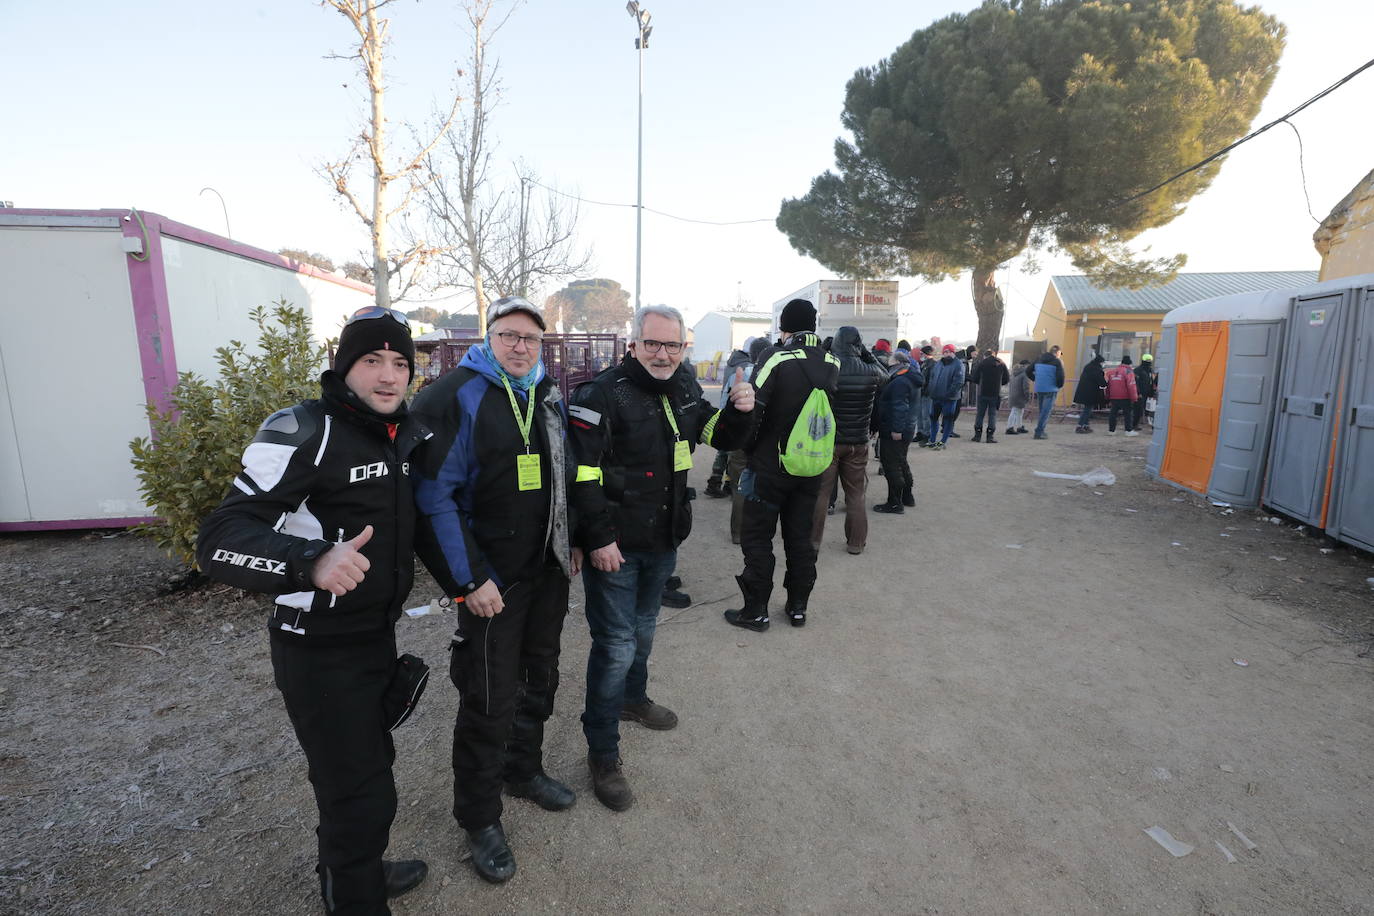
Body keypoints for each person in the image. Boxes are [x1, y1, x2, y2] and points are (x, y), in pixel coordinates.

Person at [196, 307, 430, 914]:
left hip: (374, 635)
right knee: (359, 793)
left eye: (400, 363)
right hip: (317, 647)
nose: (388, 376)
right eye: (371, 361)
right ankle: (354, 896)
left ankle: (356, 873)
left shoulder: (402, 430)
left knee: (369, 770)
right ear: (342, 366)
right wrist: (310, 561)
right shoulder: (306, 428)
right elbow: (219, 537)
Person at [410, 296, 576, 885]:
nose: (521, 346)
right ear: (489, 337)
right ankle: (479, 819)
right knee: (487, 697)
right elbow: (433, 499)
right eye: (510, 336)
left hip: (546, 572)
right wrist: (469, 580)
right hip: (491, 584)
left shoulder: (547, 393)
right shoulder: (456, 394)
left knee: (541, 676)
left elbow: (566, 471)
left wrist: (573, 538)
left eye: (532, 338)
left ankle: (523, 768)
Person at [570, 305, 755, 811]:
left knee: (645, 628)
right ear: (633, 344)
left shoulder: (685, 387)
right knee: (614, 644)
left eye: (672, 346)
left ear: (682, 349)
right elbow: (581, 473)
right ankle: (602, 753)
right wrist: (598, 537)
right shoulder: (600, 393)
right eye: (652, 343)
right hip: (616, 546)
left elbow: (717, 437)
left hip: (664, 539)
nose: (662, 353)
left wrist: (740, 410)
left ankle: (633, 698)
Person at [724, 298, 839, 631]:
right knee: (800, 538)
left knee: (758, 538)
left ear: (784, 327)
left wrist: (746, 448)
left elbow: (754, 408)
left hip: (770, 466)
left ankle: (756, 611)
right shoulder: (833, 360)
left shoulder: (777, 357)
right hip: (811, 466)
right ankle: (798, 607)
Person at [810, 326, 886, 554]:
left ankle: (813, 543)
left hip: (828, 442)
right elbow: (886, 375)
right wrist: (866, 352)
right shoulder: (870, 370)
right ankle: (855, 543)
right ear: (858, 345)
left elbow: (811, 369)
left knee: (821, 494)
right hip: (859, 441)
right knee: (855, 495)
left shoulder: (827, 368)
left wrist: (824, 347)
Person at [872, 346, 924, 513]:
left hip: (895, 430)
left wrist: (896, 429)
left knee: (891, 465)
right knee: (901, 462)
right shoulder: (910, 378)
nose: (889, 365)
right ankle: (907, 496)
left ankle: (894, 502)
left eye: (891, 362)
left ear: (900, 364)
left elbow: (899, 407)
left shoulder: (900, 381)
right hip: (907, 428)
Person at [704, 338, 756, 498]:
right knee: (732, 449)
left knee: (723, 449)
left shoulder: (732, 362)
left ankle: (717, 480)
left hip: (725, 404)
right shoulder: (747, 368)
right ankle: (727, 483)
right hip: (735, 408)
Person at [924, 344, 966, 450]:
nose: (946, 354)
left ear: (953, 352)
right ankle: (932, 440)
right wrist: (931, 390)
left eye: (949, 352)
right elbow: (933, 377)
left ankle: (943, 442)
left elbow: (958, 382)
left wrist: (949, 394)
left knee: (948, 419)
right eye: (945, 352)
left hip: (949, 398)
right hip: (936, 396)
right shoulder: (938, 363)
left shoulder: (958, 365)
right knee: (933, 418)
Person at [970, 348, 1009, 443]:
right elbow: (1006, 378)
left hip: (983, 392)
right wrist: (999, 383)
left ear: (985, 356)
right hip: (995, 393)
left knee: (980, 414)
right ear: (994, 355)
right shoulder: (1001, 363)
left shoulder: (982, 363)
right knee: (992, 415)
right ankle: (990, 436)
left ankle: (977, 435)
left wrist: (979, 382)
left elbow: (975, 378)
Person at [1032, 346, 1066, 440]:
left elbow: (1028, 371)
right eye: (1060, 354)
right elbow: (1061, 377)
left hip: (1039, 388)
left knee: (1042, 410)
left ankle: (1040, 430)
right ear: (1057, 352)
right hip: (1051, 389)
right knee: (1046, 411)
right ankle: (1039, 432)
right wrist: (1058, 386)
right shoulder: (1057, 362)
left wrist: (1036, 379)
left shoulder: (1039, 359)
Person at [1104, 354, 1140, 435]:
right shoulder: (1128, 372)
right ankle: (1128, 430)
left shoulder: (1113, 371)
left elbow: (1108, 385)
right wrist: (1134, 397)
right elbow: (1131, 385)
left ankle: (1111, 430)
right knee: (1128, 414)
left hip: (1114, 396)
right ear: (1129, 364)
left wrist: (1107, 396)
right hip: (1125, 397)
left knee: (1113, 414)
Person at [1073, 353, 1107, 433]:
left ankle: (1085, 425)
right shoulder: (1097, 369)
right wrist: (1105, 384)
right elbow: (1101, 381)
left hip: (1083, 391)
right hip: (1090, 392)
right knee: (1087, 410)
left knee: (1088, 409)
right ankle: (1080, 426)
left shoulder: (1088, 366)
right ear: (1100, 362)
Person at [1005, 359, 1032, 435]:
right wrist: (1027, 396)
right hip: (1020, 395)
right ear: (1025, 365)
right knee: (1015, 411)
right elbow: (1026, 386)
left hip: (1013, 394)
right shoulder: (1024, 374)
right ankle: (1009, 427)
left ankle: (1019, 426)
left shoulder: (1014, 373)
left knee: (1019, 411)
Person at [1134, 353, 1157, 429]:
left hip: (1148, 393)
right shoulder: (1138, 370)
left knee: (1145, 409)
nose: (1149, 363)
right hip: (1140, 393)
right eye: (1148, 361)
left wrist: (1152, 392)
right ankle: (1134, 425)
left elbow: (1152, 381)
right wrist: (1138, 392)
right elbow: (1135, 382)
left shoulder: (1150, 370)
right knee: (1138, 409)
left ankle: (1139, 423)